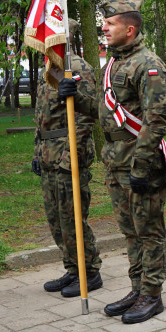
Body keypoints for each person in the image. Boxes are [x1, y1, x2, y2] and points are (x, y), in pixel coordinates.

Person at [60, 0, 166, 324]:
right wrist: (76, 97)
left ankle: (152, 294)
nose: (104, 29)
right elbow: (101, 110)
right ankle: (137, 287)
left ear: (131, 28)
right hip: (115, 161)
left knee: (148, 231)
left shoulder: (148, 65)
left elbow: (156, 121)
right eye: (104, 24)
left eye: (110, 24)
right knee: (130, 231)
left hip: (140, 162)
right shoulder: (112, 64)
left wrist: (141, 165)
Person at [35, 19, 103, 297]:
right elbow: (42, 117)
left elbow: (87, 116)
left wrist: (70, 157)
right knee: (56, 219)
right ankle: (72, 268)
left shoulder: (78, 69)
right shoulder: (48, 70)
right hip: (49, 154)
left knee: (73, 217)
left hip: (68, 154)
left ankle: (90, 272)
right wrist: (37, 153)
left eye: (50, 37)